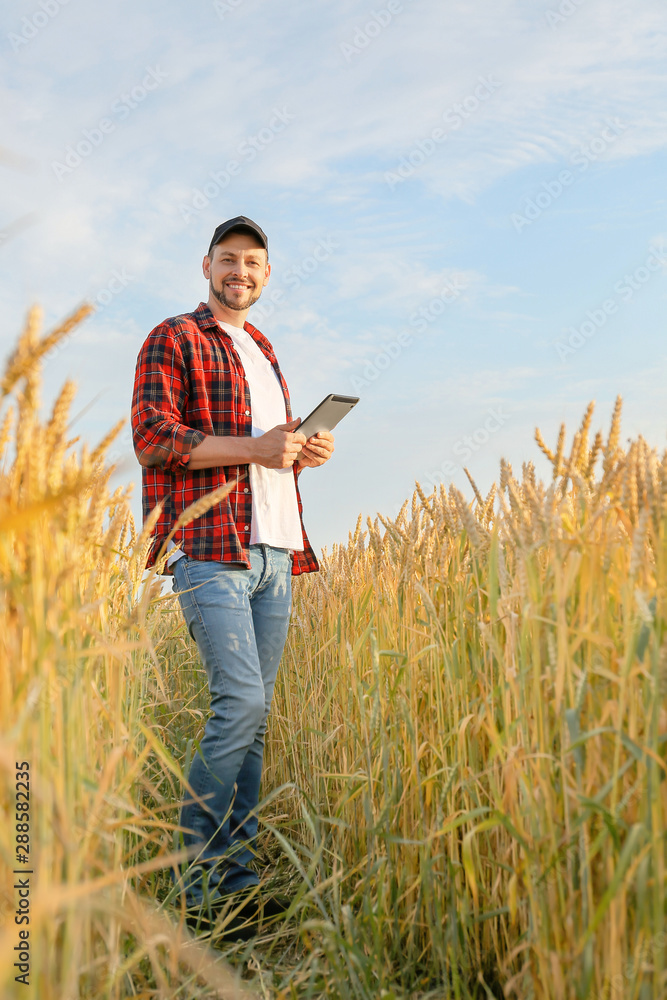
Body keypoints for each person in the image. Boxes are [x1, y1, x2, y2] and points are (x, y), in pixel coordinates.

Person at [131, 216, 334, 935]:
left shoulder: (265, 349)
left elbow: (262, 452)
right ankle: (194, 886)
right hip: (210, 545)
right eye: (227, 260)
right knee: (239, 705)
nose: (239, 272)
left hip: (275, 550)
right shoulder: (174, 336)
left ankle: (237, 886)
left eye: (252, 262)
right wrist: (255, 444)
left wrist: (300, 449)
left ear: (267, 274)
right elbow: (154, 440)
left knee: (252, 725)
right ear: (206, 267)